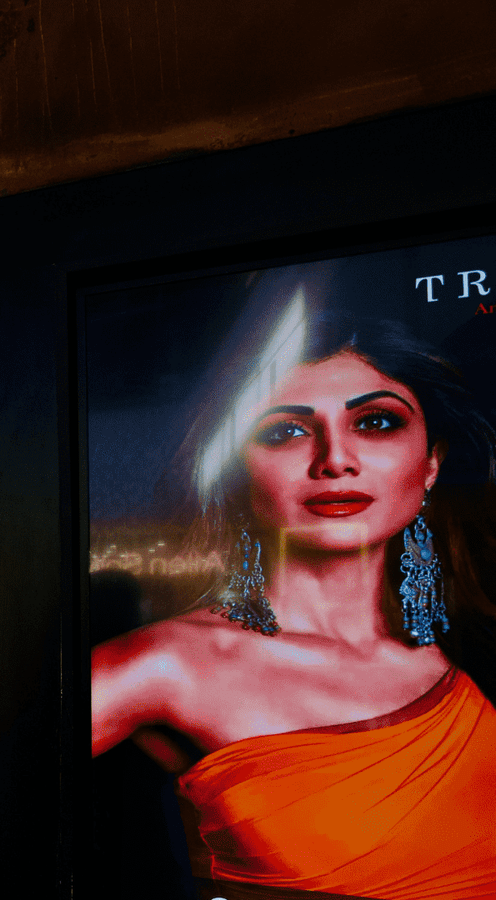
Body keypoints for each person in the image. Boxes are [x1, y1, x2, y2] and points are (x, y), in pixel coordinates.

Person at [92, 312, 496, 898]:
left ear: (431, 461)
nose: (335, 460)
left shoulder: (471, 645)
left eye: (375, 422)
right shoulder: (167, 665)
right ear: (235, 468)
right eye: (286, 431)